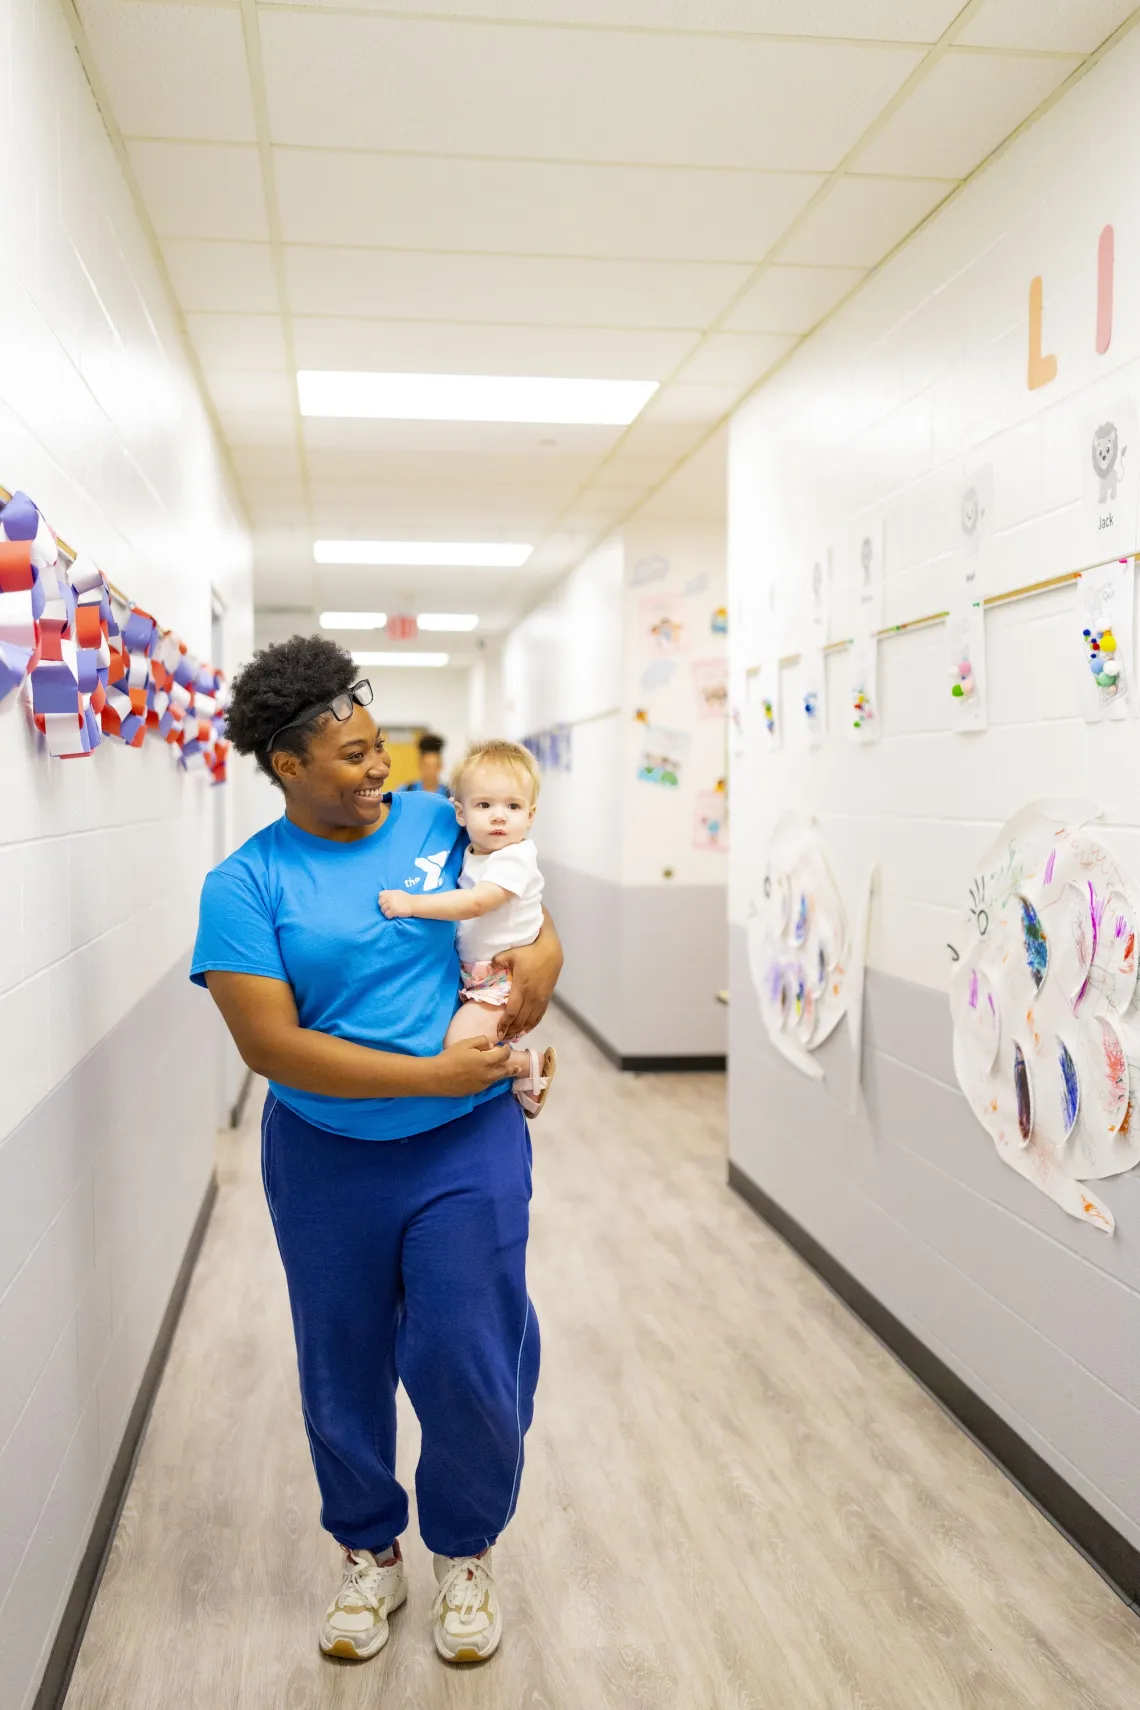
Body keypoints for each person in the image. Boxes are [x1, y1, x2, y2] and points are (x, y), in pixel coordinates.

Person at [190, 635, 562, 1668]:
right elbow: (271, 1046)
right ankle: (369, 1554)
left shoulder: (445, 825)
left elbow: (532, 924)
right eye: (350, 756)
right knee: (341, 1360)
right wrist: (428, 1075)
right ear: (286, 766)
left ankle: (466, 1552)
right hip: (326, 1157)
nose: (378, 767)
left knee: (466, 1355)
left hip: (467, 1145)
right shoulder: (245, 885)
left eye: (377, 745)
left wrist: (535, 981)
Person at [379, 739, 556, 1117]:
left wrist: (412, 904)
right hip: (478, 977)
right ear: (459, 812)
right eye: (484, 805)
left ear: (531, 815)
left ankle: (525, 1065)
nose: (498, 816)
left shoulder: (516, 856)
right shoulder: (473, 853)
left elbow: (477, 902)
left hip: (502, 980)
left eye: (513, 806)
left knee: (462, 1044)